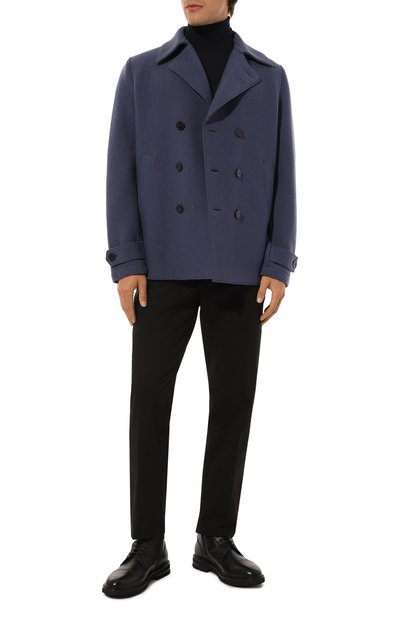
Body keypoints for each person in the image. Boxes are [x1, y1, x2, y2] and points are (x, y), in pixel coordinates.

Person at [102, 0, 298, 598]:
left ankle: (215, 538)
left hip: (240, 263)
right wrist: (127, 260)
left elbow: (283, 171)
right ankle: (147, 545)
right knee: (149, 399)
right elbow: (121, 169)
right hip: (164, 261)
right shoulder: (142, 71)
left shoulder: (268, 77)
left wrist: (278, 260)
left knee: (234, 400)